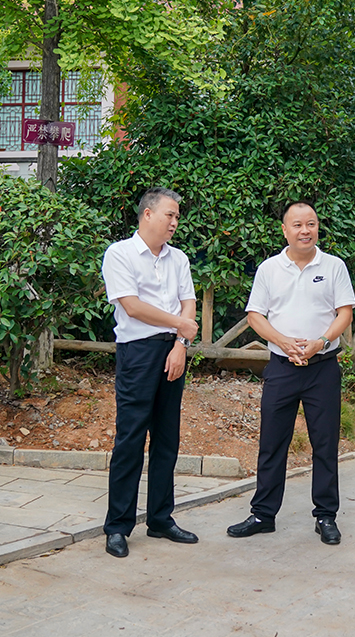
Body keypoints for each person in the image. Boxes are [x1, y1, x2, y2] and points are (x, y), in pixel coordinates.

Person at [227, 200, 355, 545]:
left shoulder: (333, 266)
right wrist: (283, 342)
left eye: (311, 224)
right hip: (281, 368)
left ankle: (326, 516)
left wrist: (321, 341)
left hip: (322, 367)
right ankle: (263, 514)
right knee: (272, 442)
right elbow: (255, 316)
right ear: (285, 230)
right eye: (297, 225)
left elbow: (344, 313)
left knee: (325, 443)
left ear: (318, 227)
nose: (305, 230)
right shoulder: (270, 269)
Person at [102, 187, 199, 558]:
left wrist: (181, 344)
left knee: (167, 438)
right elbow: (132, 306)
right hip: (138, 353)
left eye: (177, 217)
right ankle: (117, 526)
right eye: (169, 215)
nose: (174, 222)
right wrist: (180, 325)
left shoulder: (179, 259)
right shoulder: (120, 254)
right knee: (130, 439)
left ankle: (160, 518)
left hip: (173, 350)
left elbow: (188, 302)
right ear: (147, 214)